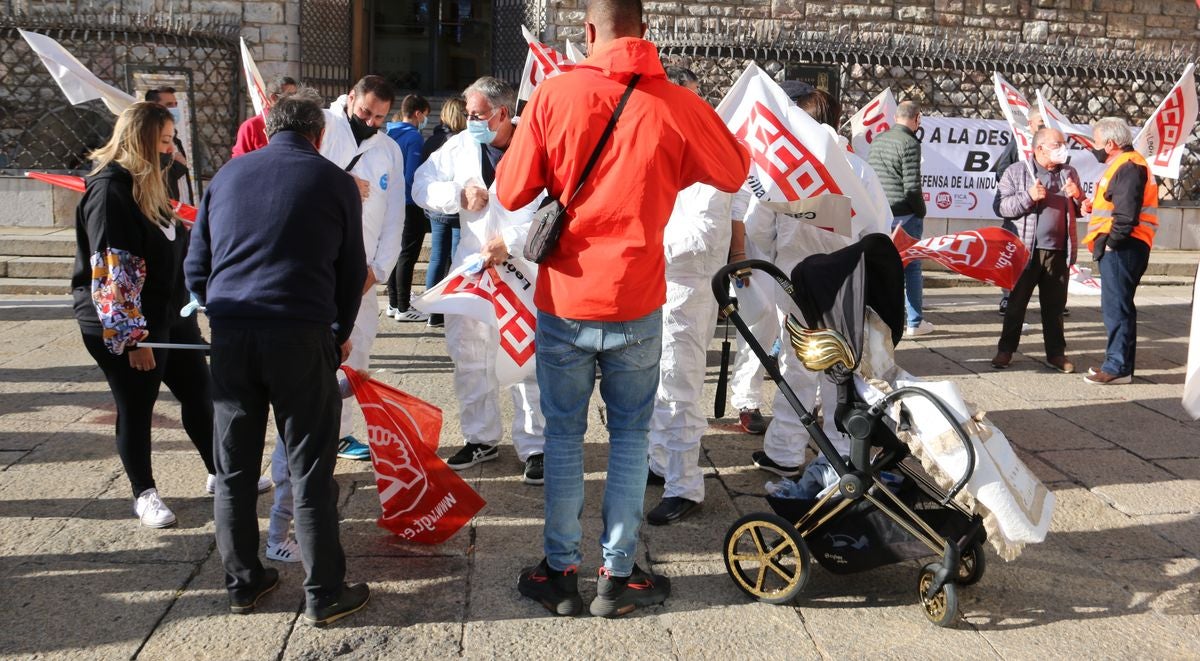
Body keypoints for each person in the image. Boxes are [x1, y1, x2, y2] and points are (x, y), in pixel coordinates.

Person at [498, 0, 749, 618]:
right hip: (638, 299)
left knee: (562, 437)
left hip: (566, 297)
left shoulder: (558, 94)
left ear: (588, 32)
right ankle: (617, 574)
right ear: (646, 33)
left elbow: (510, 189)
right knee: (633, 438)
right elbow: (735, 168)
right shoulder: (679, 104)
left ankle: (560, 572)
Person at [184, 90, 371, 625]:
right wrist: (338, 331)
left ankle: (243, 582)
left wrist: (219, 311)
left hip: (233, 333)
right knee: (311, 464)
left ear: (268, 131)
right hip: (299, 331)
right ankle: (324, 592)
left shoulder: (227, 176)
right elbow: (349, 269)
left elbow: (197, 264)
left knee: (235, 467)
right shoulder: (333, 181)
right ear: (318, 135)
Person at [72, 102, 223, 528]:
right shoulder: (109, 191)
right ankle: (145, 493)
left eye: (172, 139)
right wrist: (133, 339)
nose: (171, 148)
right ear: (140, 141)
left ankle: (219, 472)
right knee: (137, 405)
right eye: (164, 140)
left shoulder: (155, 182)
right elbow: (112, 270)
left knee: (199, 391)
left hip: (169, 311)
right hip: (124, 322)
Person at [412, 77, 546, 484]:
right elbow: (421, 185)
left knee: (526, 361)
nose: (468, 121)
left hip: (523, 272)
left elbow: (557, 210)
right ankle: (480, 437)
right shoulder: (458, 148)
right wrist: (457, 196)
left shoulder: (539, 147)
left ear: (503, 114)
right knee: (470, 356)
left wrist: (513, 242)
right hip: (473, 270)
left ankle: (536, 446)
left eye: (476, 115)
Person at [645, 66, 748, 525]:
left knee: (679, 385)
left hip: (686, 291)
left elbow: (703, 236)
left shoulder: (711, 157)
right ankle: (658, 461)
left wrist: (638, 239)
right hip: (651, 286)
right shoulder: (662, 148)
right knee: (649, 382)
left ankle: (685, 484)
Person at [317, 75, 406, 461]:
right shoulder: (320, 125)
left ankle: (340, 432)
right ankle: (309, 433)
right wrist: (341, 183)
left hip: (363, 274)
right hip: (318, 267)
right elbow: (294, 176)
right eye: (365, 112)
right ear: (350, 98)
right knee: (313, 355)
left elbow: (394, 214)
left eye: (379, 117)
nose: (370, 121)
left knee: (357, 356)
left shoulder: (388, 149)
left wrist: (379, 270)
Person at [991, 128, 1081, 373]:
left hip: (1058, 251)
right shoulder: (1017, 172)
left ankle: (1056, 354)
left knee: (1054, 307)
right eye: (1057, 144)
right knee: (1016, 304)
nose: (1063, 148)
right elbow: (1001, 207)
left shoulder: (1069, 173)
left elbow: (1080, 209)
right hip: (1024, 251)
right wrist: (1028, 197)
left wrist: (1078, 196)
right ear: (1039, 148)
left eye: (1064, 144)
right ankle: (1006, 350)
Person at [1081, 117, 1158, 385]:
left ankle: (1117, 367)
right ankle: (1120, 365)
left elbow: (1126, 216)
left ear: (1111, 143)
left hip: (1123, 246)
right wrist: (1092, 207)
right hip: (1126, 245)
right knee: (1120, 307)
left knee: (1117, 308)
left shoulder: (1127, 166)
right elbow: (1118, 205)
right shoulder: (1126, 164)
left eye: (1097, 142)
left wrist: (1112, 243)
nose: (1094, 147)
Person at [868, 100, 931, 337]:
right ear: (917, 119)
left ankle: (878, 319)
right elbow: (912, 187)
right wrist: (921, 211)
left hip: (881, 212)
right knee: (911, 266)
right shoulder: (910, 143)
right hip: (905, 214)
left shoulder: (878, 140)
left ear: (896, 118)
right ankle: (914, 322)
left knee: (881, 268)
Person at [384, 94, 433, 322]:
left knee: (397, 253)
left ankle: (394, 302)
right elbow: (412, 174)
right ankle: (403, 306)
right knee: (408, 255)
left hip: (392, 201)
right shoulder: (413, 137)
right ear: (418, 113)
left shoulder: (390, 133)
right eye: (425, 114)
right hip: (409, 203)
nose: (425, 119)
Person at [421, 97, 468, 328]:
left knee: (437, 258)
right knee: (457, 260)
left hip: (437, 211)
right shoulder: (465, 143)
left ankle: (433, 311)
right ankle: (452, 308)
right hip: (459, 211)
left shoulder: (432, 140)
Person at [994, 110, 1045, 316]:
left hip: (1043, 217)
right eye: (1041, 123)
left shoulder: (1053, 144)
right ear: (1030, 123)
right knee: (1013, 257)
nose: (1044, 126)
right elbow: (1001, 170)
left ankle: (1050, 300)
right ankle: (1008, 297)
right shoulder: (1018, 142)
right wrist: (1020, 188)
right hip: (1019, 213)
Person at [231, 75, 299, 158]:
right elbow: (239, 161)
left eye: (296, 95)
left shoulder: (298, 123)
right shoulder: (251, 126)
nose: (295, 100)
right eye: (290, 95)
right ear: (274, 98)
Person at [144, 87, 189, 202]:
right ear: (154, 107)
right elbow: (153, 173)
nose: (174, 109)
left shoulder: (176, 139)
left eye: (175, 104)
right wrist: (178, 166)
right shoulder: (147, 138)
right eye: (169, 105)